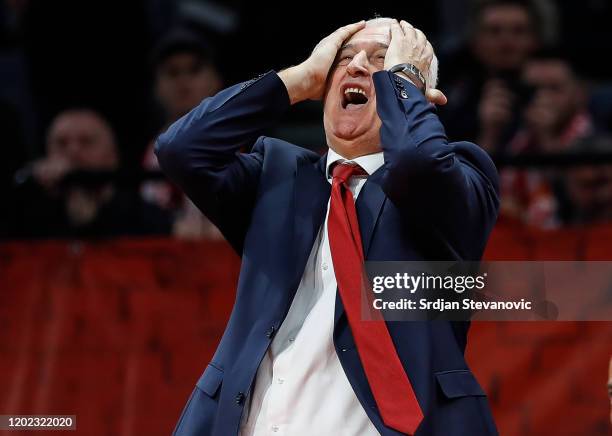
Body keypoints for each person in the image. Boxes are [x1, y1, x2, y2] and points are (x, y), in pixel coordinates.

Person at [156, 18, 499, 435]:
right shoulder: (278, 178)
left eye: (382, 61)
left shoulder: (457, 181)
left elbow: (418, 160)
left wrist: (405, 79)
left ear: (420, 97)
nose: (356, 67)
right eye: (343, 59)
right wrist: (298, 81)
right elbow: (181, 149)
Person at [8, 108, 171, 239]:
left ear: (112, 156)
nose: (73, 151)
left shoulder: (147, 219)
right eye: (61, 143)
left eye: (86, 141)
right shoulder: (31, 215)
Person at [500, 52, 599, 228]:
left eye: (554, 88)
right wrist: (490, 134)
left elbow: (579, 207)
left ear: (580, 94)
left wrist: (547, 138)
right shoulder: (511, 132)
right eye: (533, 89)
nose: (542, 98)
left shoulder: (596, 138)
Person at [142, 28, 223, 239]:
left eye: (194, 70)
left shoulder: (247, 143)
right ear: (157, 87)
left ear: (215, 79)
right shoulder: (151, 155)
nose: (183, 81)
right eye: (172, 72)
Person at [438, 0, 543, 151]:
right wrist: (489, 135)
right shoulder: (449, 98)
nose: (506, 42)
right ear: (474, 41)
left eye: (519, 31)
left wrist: (547, 139)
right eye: (494, 31)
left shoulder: (557, 89)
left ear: (535, 40)